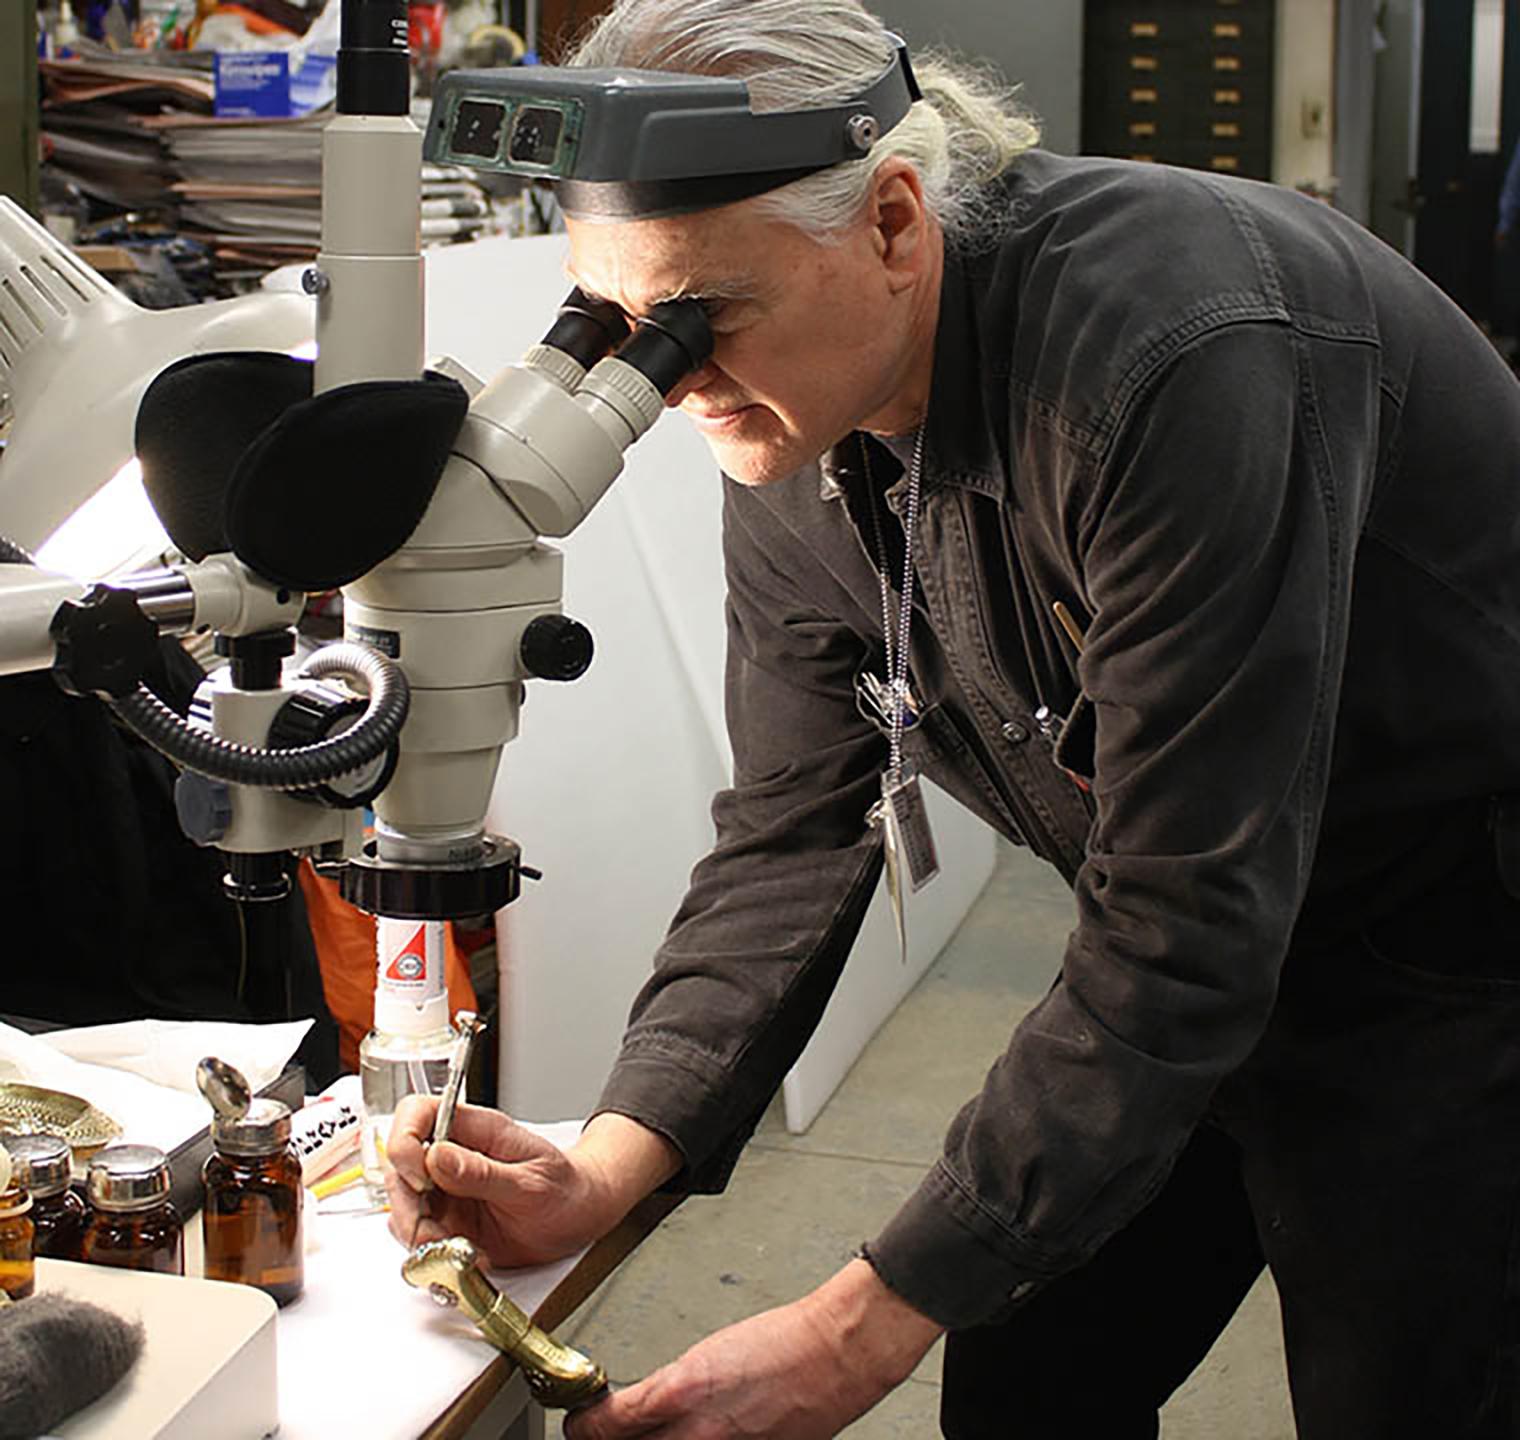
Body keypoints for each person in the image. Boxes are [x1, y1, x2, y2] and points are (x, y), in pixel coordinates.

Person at [385, 2, 1520, 1435]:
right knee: (1026, 1381)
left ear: (896, 222)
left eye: (700, 320)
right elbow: (792, 832)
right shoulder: (799, 426)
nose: (672, 388)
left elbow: (1190, 928)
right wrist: (610, 1160)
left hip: (1449, 959)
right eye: (620, 332)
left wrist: (854, 1331)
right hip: (1196, 936)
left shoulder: (1178, 359)